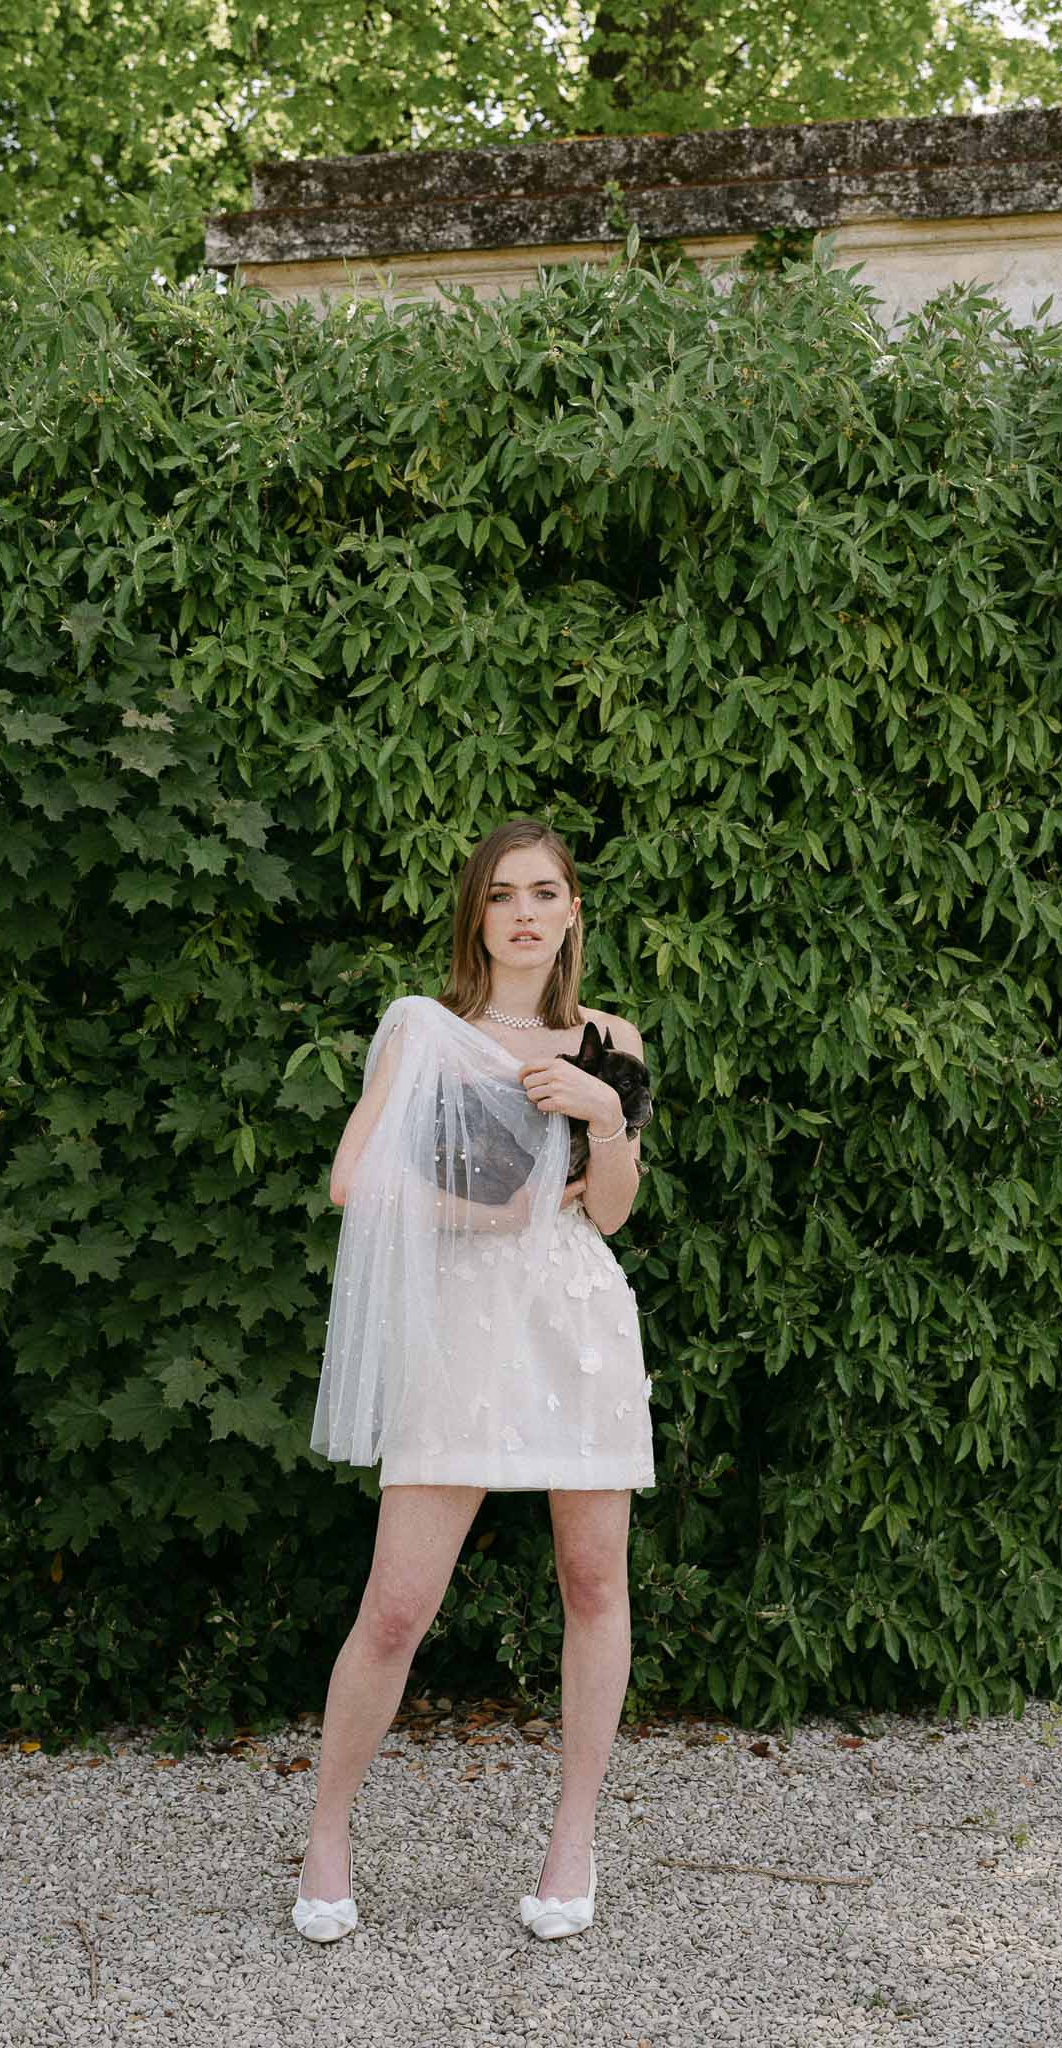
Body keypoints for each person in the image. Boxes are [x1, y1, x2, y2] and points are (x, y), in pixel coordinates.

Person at [291, 816, 655, 1944]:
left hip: (576, 1319)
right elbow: (355, 1180)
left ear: (573, 909)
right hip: (461, 1323)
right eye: (503, 895)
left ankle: (573, 1837)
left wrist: (606, 1114)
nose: (526, 913)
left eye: (545, 892)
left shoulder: (612, 1037)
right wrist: (484, 1212)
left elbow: (610, 1208)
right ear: (478, 914)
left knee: (593, 1583)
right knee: (398, 1604)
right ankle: (326, 1830)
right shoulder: (429, 1031)